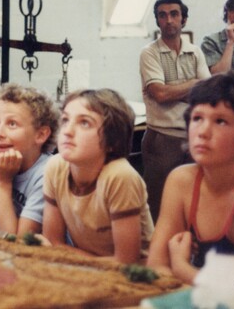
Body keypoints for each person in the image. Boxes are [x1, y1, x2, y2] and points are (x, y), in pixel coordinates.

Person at [147, 72, 234, 284]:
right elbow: (156, 266)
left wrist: (181, 267)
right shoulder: (182, 180)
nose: (203, 132)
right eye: (197, 118)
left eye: (220, 121)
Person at [42, 89, 154, 264]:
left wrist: (64, 255)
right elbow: (52, 242)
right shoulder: (55, 167)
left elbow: (126, 262)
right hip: (87, 270)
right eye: (65, 120)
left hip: (137, 278)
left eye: (84, 123)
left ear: (113, 141)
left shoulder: (119, 176)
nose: (67, 131)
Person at [139, 0, 212, 222]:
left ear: (183, 20)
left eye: (174, 14)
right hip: (162, 139)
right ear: (158, 21)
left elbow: (208, 92)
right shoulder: (149, 53)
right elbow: (159, 94)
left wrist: (176, 90)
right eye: (162, 15)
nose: (168, 20)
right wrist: (193, 85)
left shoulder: (195, 51)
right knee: (159, 206)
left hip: (191, 139)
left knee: (192, 202)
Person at [0, 84, 59, 236]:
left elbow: (16, 241)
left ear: (41, 134)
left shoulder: (47, 173)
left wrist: (3, 183)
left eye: (12, 124)